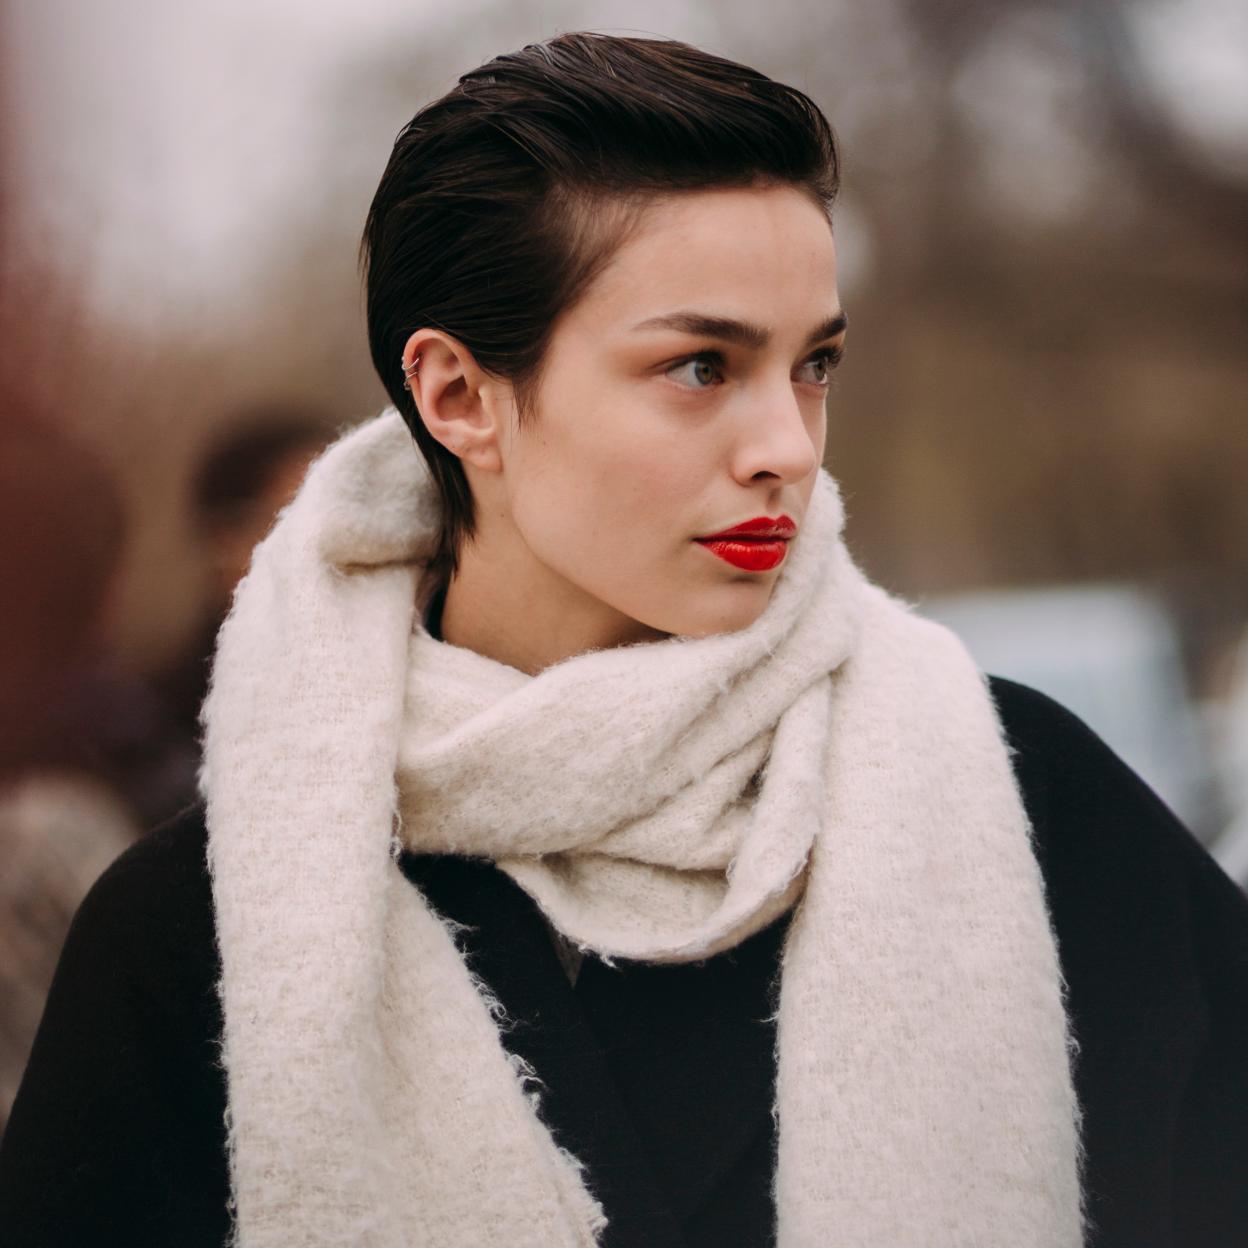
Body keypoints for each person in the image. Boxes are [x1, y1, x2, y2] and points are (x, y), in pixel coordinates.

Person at [1, 31, 1245, 1248]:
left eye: (813, 365)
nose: (790, 447)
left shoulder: (1030, 804)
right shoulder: (199, 939)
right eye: (702, 366)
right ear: (456, 397)